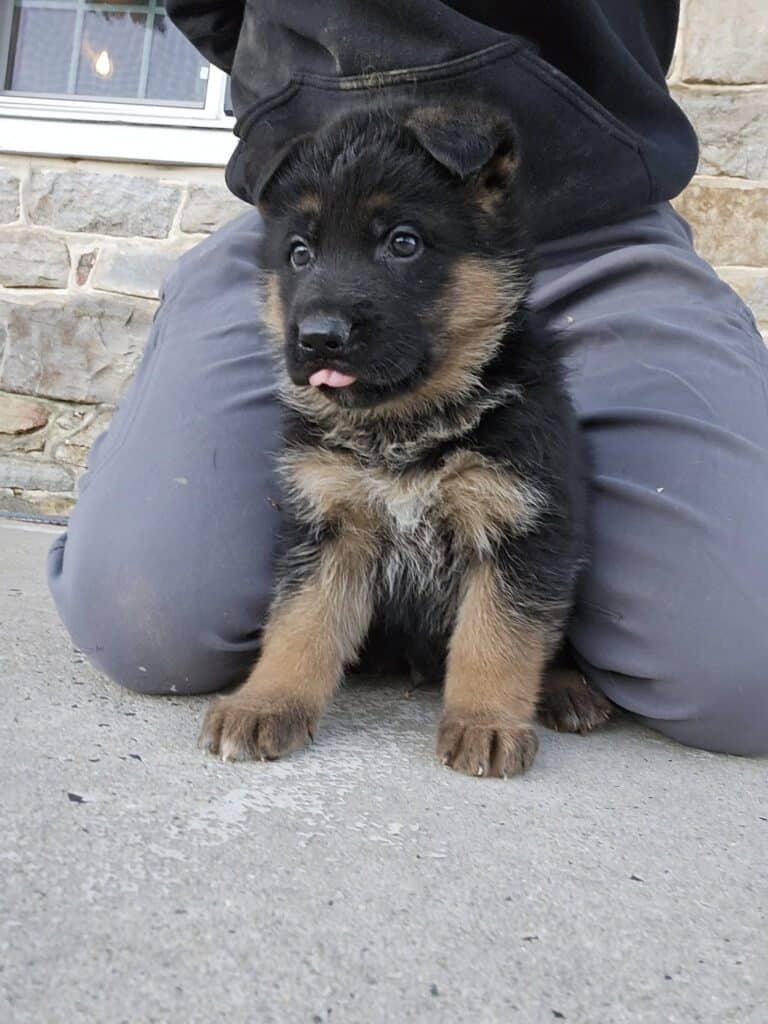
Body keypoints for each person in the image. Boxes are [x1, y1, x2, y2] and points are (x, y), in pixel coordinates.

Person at [47, 1, 768, 756]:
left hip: (597, 204)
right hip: (314, 158)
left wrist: (492, 700)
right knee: (143, 622)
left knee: (741, 678)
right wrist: (288, 89)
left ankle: (553, 660)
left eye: (399, 244)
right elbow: (322, 553)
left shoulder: (483, 232)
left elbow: (528, 552)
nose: (325, 322)